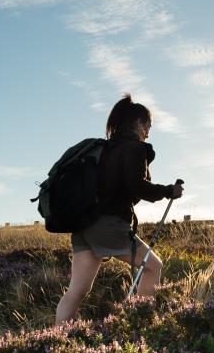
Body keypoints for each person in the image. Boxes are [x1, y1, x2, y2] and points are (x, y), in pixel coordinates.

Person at [55, 94, 183, 325]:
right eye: (148, 126)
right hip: (108, 223)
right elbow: (135, 185)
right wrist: (167, 191)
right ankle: (141, 324)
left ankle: (55, 341)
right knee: (154, 267)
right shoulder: (134, 148)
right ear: (138, 123)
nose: (149, 132)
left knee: (77, 291)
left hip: (83, 225)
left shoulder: (104, 149)